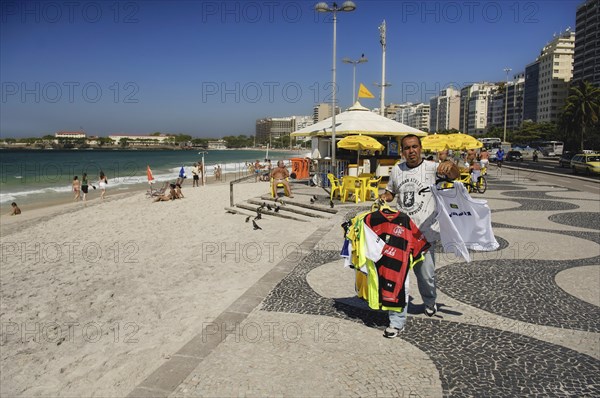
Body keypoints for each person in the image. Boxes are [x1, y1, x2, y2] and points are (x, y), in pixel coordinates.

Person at [379, 134, 459, 338]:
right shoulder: (397, 169)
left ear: (421, 148)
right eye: (407, 148)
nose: (411, 151)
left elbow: (454, 175)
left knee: (426, 277)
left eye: (415, 147)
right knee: (397, 279)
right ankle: (396, 322)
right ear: (402, 151)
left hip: (426, 235)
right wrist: (384, 197)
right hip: (401, 235)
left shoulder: (432, 168)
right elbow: (391, 192)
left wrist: (449, 165)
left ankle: (430, 301)